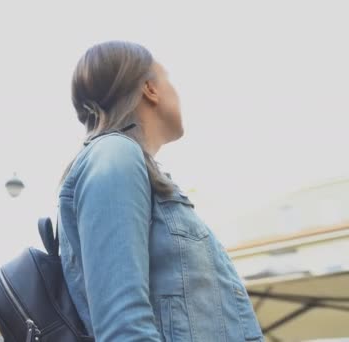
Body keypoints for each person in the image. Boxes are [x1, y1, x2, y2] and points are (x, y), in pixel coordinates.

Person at [57, 41, 264, 341]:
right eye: (169, 80)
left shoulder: (128, 164)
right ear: (150, 89)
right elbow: (124, 328)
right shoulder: (116, 155)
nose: (176, 91)